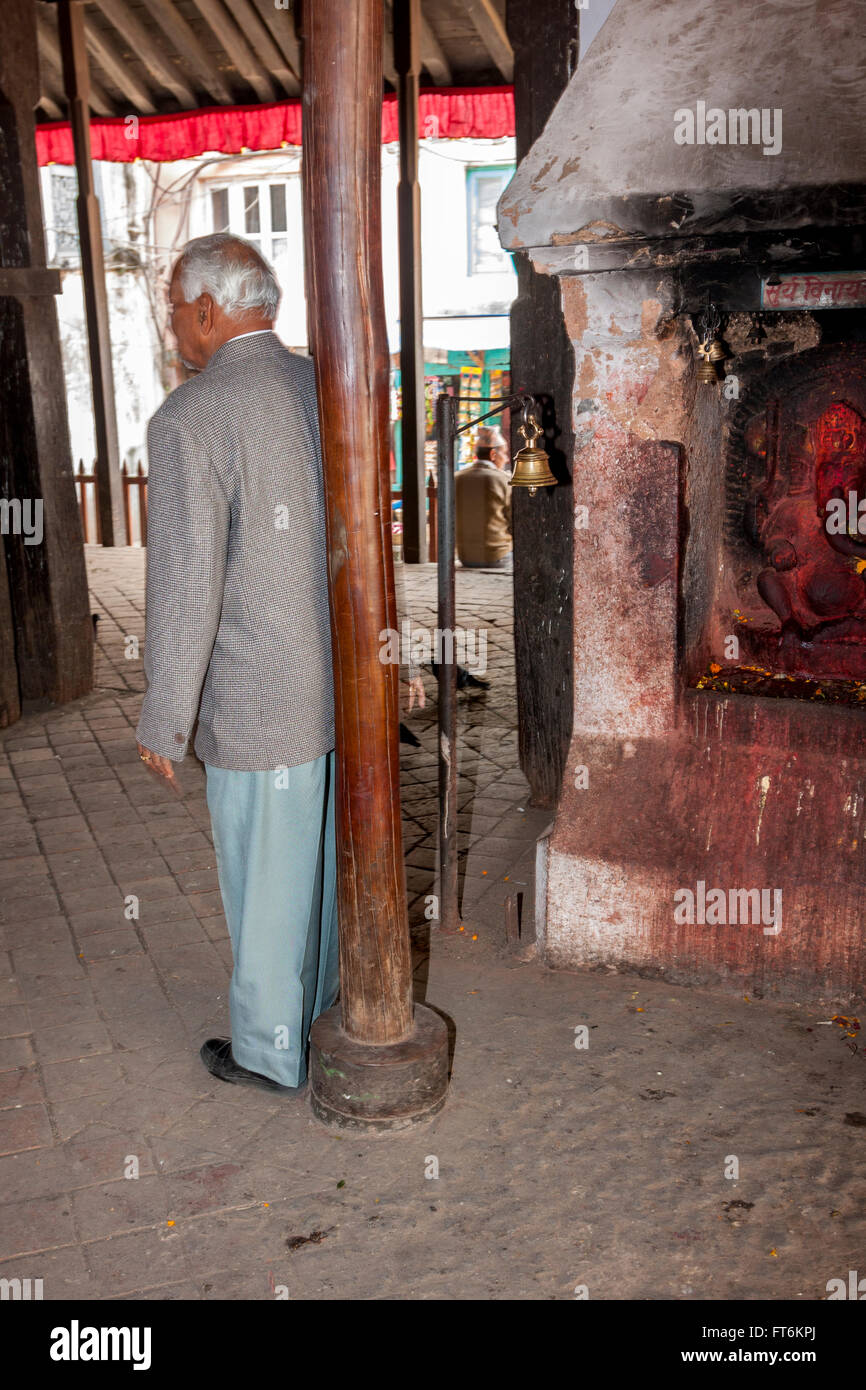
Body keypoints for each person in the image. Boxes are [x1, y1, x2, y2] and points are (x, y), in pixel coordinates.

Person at [135, 233, 337, 1096]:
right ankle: (324, 1017)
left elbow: (186, 587)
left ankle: (268, 1053)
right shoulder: (317, 385)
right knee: (315, 879)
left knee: (263, 886)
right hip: (328, 688)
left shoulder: (190, 416)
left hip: (257, 699)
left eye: (175, 303)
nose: (172, 320)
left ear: (209, 310)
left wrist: (163, 720)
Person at [455, 425, 513, 570]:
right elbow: (514, 520)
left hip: (465, 557)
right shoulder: (503, 479)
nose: (506, 459)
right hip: (497, 556)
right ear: (493, 455)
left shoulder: (457, 478)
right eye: (504, 454)